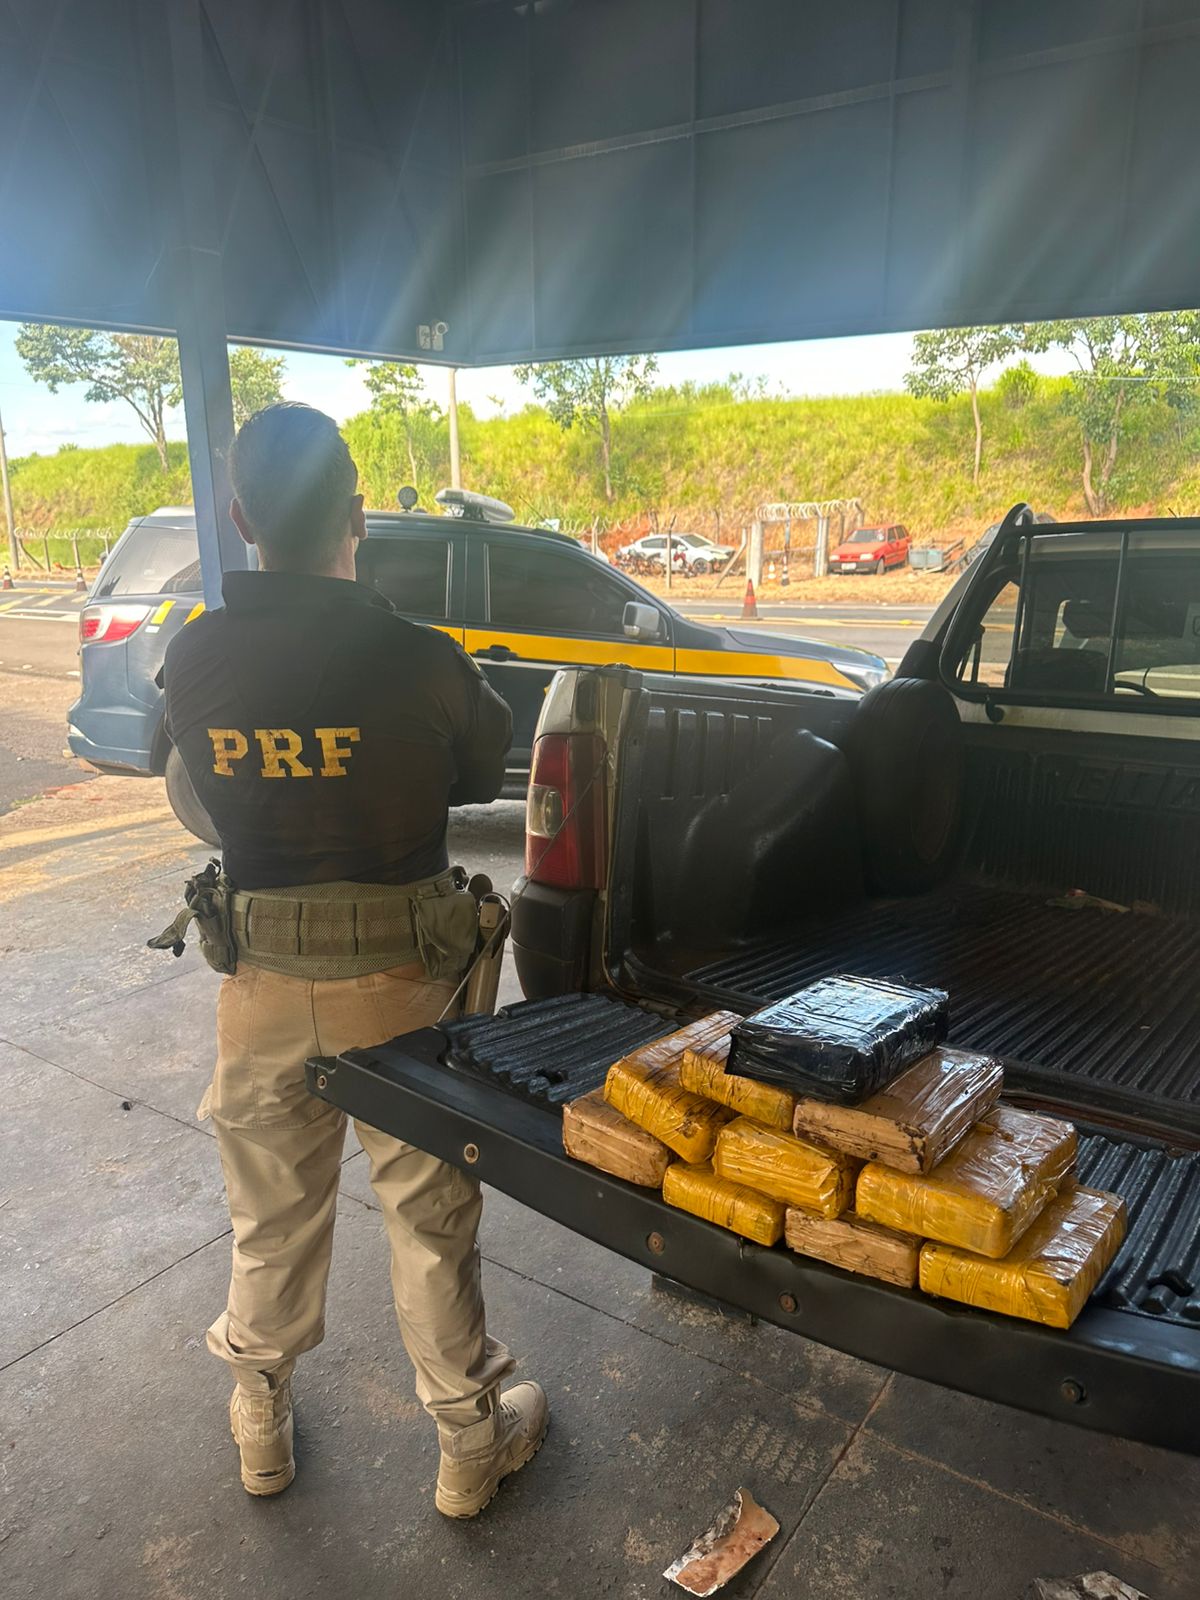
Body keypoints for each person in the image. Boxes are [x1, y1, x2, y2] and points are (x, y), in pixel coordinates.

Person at [158, 402, 546, 1515]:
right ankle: (469, 1442)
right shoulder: (421, 660)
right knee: (428, 1212)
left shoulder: (195, 656)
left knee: (270, 1214)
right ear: (358, 516)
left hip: (260, 981)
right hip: (405, 986)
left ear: (242, 519)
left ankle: (259, 1422)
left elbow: (198, 790)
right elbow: (477, 767)